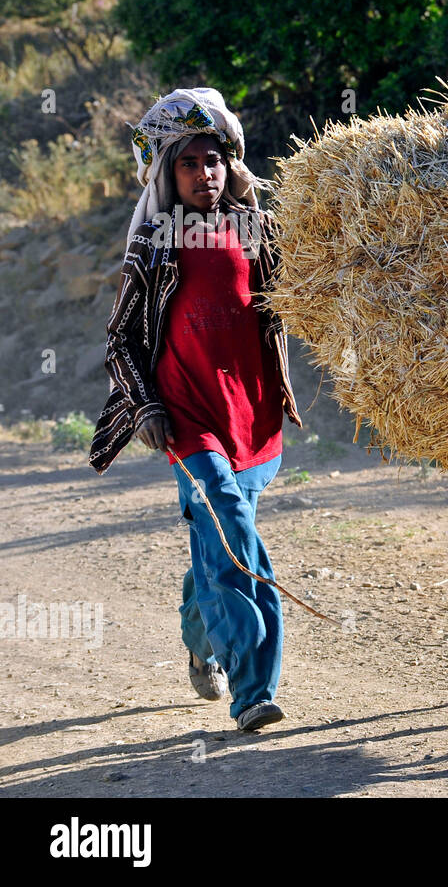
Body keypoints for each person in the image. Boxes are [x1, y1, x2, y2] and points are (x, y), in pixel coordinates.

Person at [87, 88, 303, 732]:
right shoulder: (155, 243)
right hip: (188, 420)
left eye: (214, 161)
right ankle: (253, 690)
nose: (205, 174)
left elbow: (290, 303)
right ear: (166, 175)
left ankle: (196, 635)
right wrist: (146, 404)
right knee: (235, 537)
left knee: (217, 544)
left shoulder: (254, 230)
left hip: (253, 419)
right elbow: (120, 338)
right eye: (189, 164)